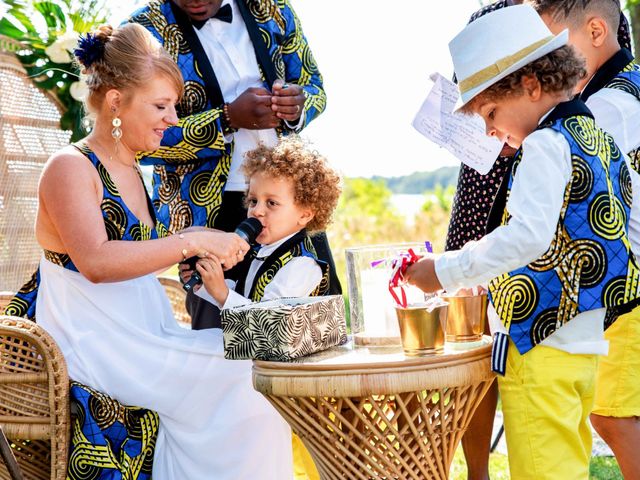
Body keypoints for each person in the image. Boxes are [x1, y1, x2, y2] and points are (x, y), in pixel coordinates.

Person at [18, 23, 293, 479]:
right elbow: (98, 264)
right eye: (160, 106)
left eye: (174, 107)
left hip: (144, 330)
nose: (172, 119)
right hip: (93, 339)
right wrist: (194, 239)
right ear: (115, 103)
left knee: (258, 363)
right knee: (246, 377)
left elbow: (142, 261)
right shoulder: (70, 167)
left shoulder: (132, 169)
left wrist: (192, 265)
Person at [406, 5, 640, 479]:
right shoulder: (595, 135)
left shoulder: (545, 144)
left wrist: (445, 269)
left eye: (489, 112)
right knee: (566, 465)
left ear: (530, 86)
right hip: (585, 341)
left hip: (541, 346)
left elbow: (527, 236)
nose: (489, 131)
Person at [126, 0, 342, 332]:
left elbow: (314, 87)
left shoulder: (274, 8)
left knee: (316, 327)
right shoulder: (142, 32)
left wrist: (298, 107)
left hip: (290, 203)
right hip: (208, 215)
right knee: (220, 337)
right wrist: (226, 119)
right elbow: (134, 138)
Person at [522, 2, 640, 477]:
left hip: (629, 274)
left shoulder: (613, 104)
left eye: (553, 41)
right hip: (623, 269)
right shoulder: (615, 88)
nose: (547, 57)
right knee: (610, 411)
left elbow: (565, 159)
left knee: (616, 415)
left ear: (595, 30)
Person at [181, 136, 340, 480]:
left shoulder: (303, 264)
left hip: (282, 379)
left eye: (272, 203)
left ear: (305, 213)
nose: (257, 211)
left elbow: (266, 325)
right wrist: (203, 286)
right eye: (253, 200)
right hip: (255, 368)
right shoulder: (262, 251)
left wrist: (222, 293)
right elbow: (245, 300)